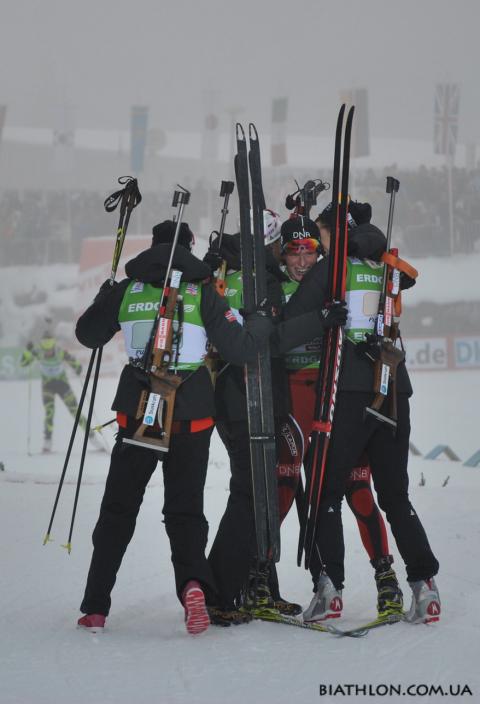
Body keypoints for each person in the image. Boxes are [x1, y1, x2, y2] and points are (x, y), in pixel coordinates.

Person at [75, 220, 273, 636]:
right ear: (189, 248)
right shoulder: (204, 291)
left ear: (154, 248)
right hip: (191, 413)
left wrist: (102, 298)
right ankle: (194, 587)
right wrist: (259, 321)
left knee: (117, 510)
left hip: (138, 411)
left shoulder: (128, 289)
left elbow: (88, 335)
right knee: (184, 511)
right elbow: (239, 350)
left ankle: (95, 607)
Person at [284, 202, 441, 625]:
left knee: (324, 491)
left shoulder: (333, 269)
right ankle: (425, 588)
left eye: (325, 234)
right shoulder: (389, 265)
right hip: (393, 388)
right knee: (395, 496)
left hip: (347, 391)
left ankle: (329, 589)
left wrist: (321, 317)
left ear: (339, 235)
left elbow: (290, 319)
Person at [205, 211, 341, 625]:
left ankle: (257, 585)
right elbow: (273, 340)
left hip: (274, 396)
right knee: (260, 492)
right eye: (292, 251)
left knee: (270, 490)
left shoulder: (269, 275)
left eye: (310, 251)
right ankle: (231, 587)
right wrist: (317, 318)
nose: (301, 260)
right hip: (252, 398)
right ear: (276, 251)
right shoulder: (264, 282)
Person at [19, 329, 103, 453]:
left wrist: (77, 367)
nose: (48, 352)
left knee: (76, 412)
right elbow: (23, 364)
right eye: (46, 350)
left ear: (53, 345)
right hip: (48, 386)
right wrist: (27, 351)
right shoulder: (38, 352)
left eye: (50, 350)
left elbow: (72, 360)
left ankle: (94, 439)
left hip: (63, 385)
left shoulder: (59, 351)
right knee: (49, 412)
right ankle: (47, 443)